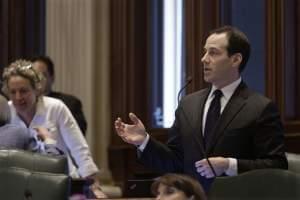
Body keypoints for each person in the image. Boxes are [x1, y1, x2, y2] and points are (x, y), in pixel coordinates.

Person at [115, 26, 288, 192]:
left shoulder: (260, 108)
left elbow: (276, 165)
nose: (204, 59)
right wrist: (143, 141)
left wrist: (229, 165)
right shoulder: (188, 104)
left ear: (236, 59)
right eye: (205, 52)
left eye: (213, 53)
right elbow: (175, 161)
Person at [2, 59, 106, 198]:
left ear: (36, 89)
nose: (18, 97)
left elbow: (78, 148)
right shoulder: (5, 111)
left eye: (24, 91)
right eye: (13, 92)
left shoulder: (56, 107)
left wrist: (94, 184)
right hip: (23, 186)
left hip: (63, 182)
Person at [31, 55, 87, 136]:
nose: (38, 80)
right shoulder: (24, 104)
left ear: (52, 78)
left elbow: (77, 135)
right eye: (34, 76)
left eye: (42, 75)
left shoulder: (70, 103)